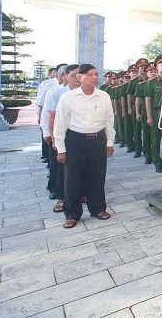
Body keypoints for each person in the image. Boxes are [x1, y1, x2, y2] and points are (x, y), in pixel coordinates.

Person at [53, 63, 115, 228]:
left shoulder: (104, 96)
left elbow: (109, 121)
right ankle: (72, 214)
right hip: (75, 140)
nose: (94, 77)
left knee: (97, 176)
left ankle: (98, 208)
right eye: (89, 74)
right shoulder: (68, 98)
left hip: (98, 140)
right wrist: (61, 149)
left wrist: (109, 143)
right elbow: (60, 125)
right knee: (73, 178)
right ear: (79, 77)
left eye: (96, 74)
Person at [46, 64, 81, 212]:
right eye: (73, 75)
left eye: (79, 75)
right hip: (64, 135)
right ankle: (62, 197)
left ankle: (81, 194)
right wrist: (54, 137)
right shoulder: (57, 94)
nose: (77, 78)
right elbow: (51, 116)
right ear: (64, 77)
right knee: (63, 168)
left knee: (82, 166)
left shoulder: (87, 93)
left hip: (81, 136)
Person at [145, 55, 162, 172]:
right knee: (155, 139)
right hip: (156, 112)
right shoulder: (151, 83)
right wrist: (149, 116)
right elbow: (148, 100)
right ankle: (157, 162)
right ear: (157, 67)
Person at [135, 62, 156, 164]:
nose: (153, 73)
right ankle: (148, 155)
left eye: (155, 71)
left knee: (155, 137)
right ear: (146, 73)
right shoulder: (142, 85)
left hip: (157, 112)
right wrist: (137, 112)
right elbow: (138, 99)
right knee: (146, 135)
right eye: (150, 72)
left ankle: (155, 155)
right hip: (145, 111)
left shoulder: (161, 84)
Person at [131, 58, 149, 158]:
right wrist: (131, 109)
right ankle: (138, 149)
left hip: (149, 109)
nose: (143, 69)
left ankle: (148, 151)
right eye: (141, 67)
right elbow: (129, 95)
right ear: (138, 69)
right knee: (137, 130)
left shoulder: (151, 80)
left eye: (144, 67)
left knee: (147, 132)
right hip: (138, 107)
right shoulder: (134, 82)